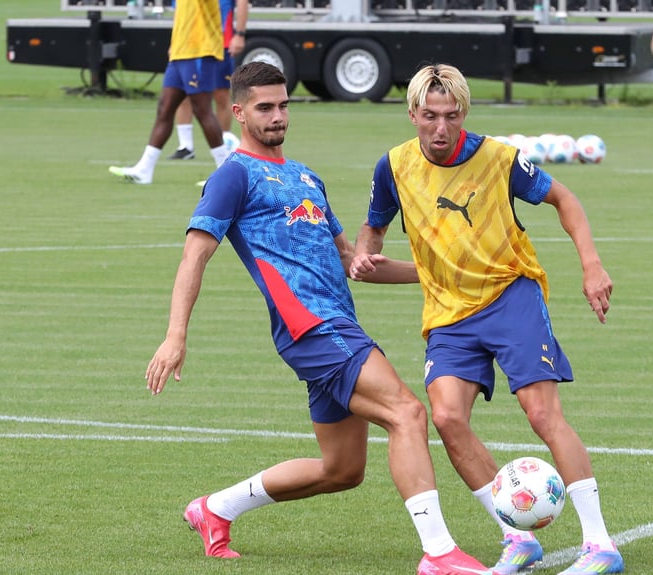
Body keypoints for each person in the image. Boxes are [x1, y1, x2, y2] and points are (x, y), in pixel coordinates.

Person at [144, 61, 494, 575]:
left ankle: (215, 509)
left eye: (284, 104)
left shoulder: (307, 176)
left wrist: (441, 270)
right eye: (265, 107)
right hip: (310, 329)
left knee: (343, 469)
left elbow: (354, 263)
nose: (278, 115)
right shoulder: (233, 176)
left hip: (336, 324)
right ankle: (440, 554)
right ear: (238, 112)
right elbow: (193, 258)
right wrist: (175, 337)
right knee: (408, 413)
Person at [352, 63, 624, 575]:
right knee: (449, 418)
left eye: (451, 116)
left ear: (464, 114)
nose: (440, 128)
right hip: (448, 312)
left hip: (510, 296)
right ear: (411, 113)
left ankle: (600, 545)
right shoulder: (392, 167)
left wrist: (592, 265)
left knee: (543, 415)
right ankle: (516, 538)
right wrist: (366, 255)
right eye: (429, 116)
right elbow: (373, 230)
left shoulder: (499, 159)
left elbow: (565, 198)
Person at [109, 0, 230, 184]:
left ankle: (225, 175)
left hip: (200, 51)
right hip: (180, 52)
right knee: (164, 108)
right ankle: (144, 170)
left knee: (202, 110)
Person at [168, 0, 248, 161]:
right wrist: (174, 42)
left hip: (218, 44)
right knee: (182, 95)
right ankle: (185, 146)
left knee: (220, 94)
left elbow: (242, 3)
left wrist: (239, 34)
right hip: (188, 47)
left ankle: (223, 143)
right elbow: (179, 13)